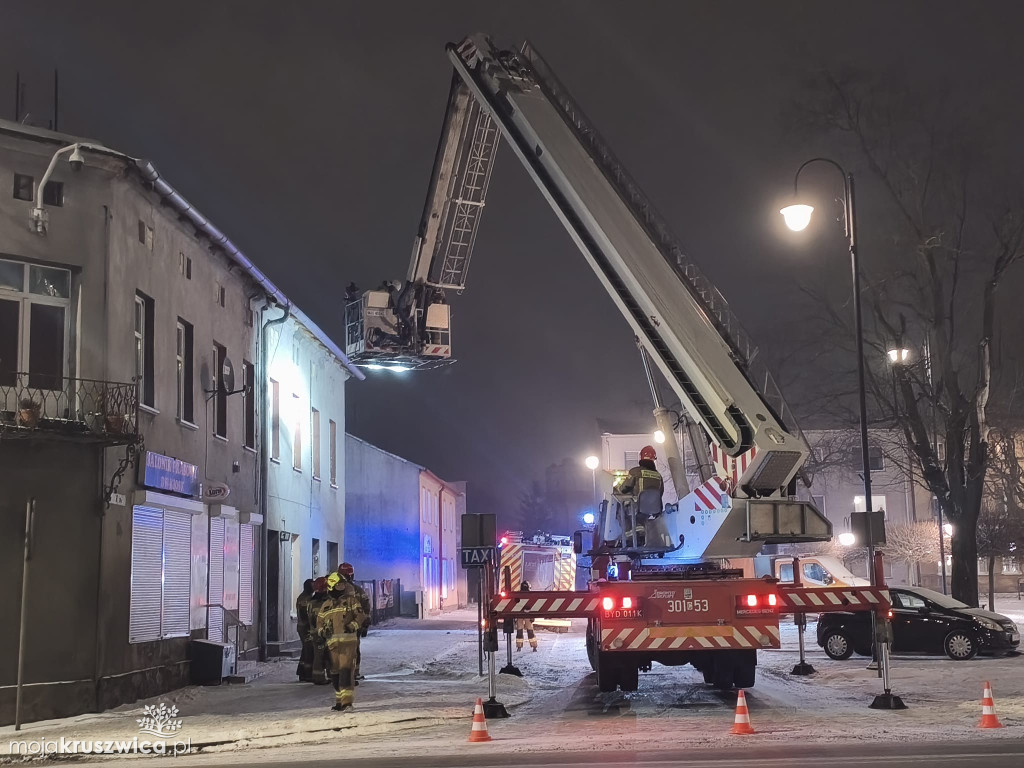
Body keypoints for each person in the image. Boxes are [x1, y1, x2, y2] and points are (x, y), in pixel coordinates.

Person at [316, 572, 367, 712]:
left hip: (348, 646)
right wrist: (322, 632)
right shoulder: (326, 605)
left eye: (343, 585)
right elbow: (319, 623)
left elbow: (360, 616)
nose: (342, 587)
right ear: (331, 586)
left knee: (346, 673)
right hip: (332, 647)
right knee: (335, 675)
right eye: (339, 585)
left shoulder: (351, 601)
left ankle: (347, 703)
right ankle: (339, 702)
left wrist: (353, 626)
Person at [338, 563, 372, 684]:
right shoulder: (358, 590)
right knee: (353, 651)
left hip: (341, 627)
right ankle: (352, 673)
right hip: (352, 627)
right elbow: (366, 608)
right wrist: (365, 625)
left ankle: (344, 673)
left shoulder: (334, 591)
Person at [307, 577, 331, 685]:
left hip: (314, 632)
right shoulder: (324, 604)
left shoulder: (311, 602)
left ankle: (319, 676)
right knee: (324, 655)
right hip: (324, 633)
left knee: (319, 655)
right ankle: (321, 677)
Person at [295, 579, 315, 682]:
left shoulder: (306, 597)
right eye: (313, 586)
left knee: (306, 650)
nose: (314, 588)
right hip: (305, 628)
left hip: (305, 627)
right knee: (309, 650)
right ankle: (307, 674)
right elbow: (304, 615)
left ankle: (302, 672)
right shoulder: (305, 599)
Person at [515, 581, 538, 652]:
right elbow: (533, 605)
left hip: (520, 614)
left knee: (519, 630)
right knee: (530, 630)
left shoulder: (518, 594)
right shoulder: (530, 595)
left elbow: (515, 605)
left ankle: (519, 646)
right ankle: (534, 646)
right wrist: (532, 616)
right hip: (528, 614)